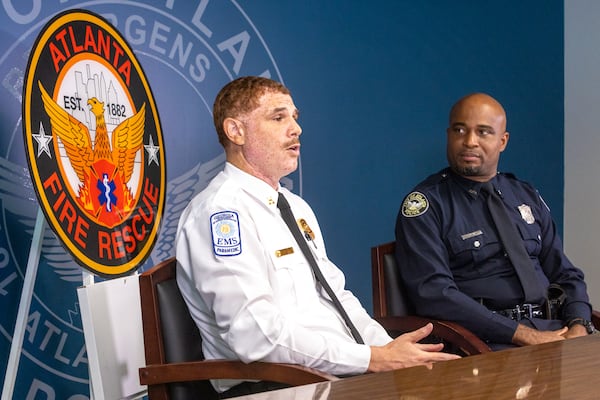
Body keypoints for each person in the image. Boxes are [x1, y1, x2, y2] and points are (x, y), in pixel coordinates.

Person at [175, 76, 459, 397]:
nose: (296, 129)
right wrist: (371, 359)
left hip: (336, 376)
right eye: (278, 117)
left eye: (295, 117)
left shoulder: (295, 207)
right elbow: (256, 337)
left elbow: (337, 297)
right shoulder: (221, 214)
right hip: (272, 385)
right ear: (235, 131)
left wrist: (391, 350)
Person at [395, 92, 594, 350]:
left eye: (483, 132)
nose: (469, 142)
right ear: (448, 135)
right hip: (481, 343)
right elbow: (435, 295)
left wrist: (579, 323)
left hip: (552, 332)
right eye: (460, 130)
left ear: (503, 141)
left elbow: (565, 273)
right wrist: (523, 335)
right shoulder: (426, 205)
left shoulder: (525, 195)